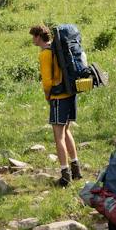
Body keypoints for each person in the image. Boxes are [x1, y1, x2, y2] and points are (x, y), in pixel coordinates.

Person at [31, 24, 82, 185]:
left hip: (58, 96)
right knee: (67, 131)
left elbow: (47, 82)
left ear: (39, 37)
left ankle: (65, 175)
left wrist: (48, 96)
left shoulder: (45, 54)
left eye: (33, 36)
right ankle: (76, 170)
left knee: (58, 135)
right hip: (70, 93)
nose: (33, 39)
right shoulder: (57, 48)